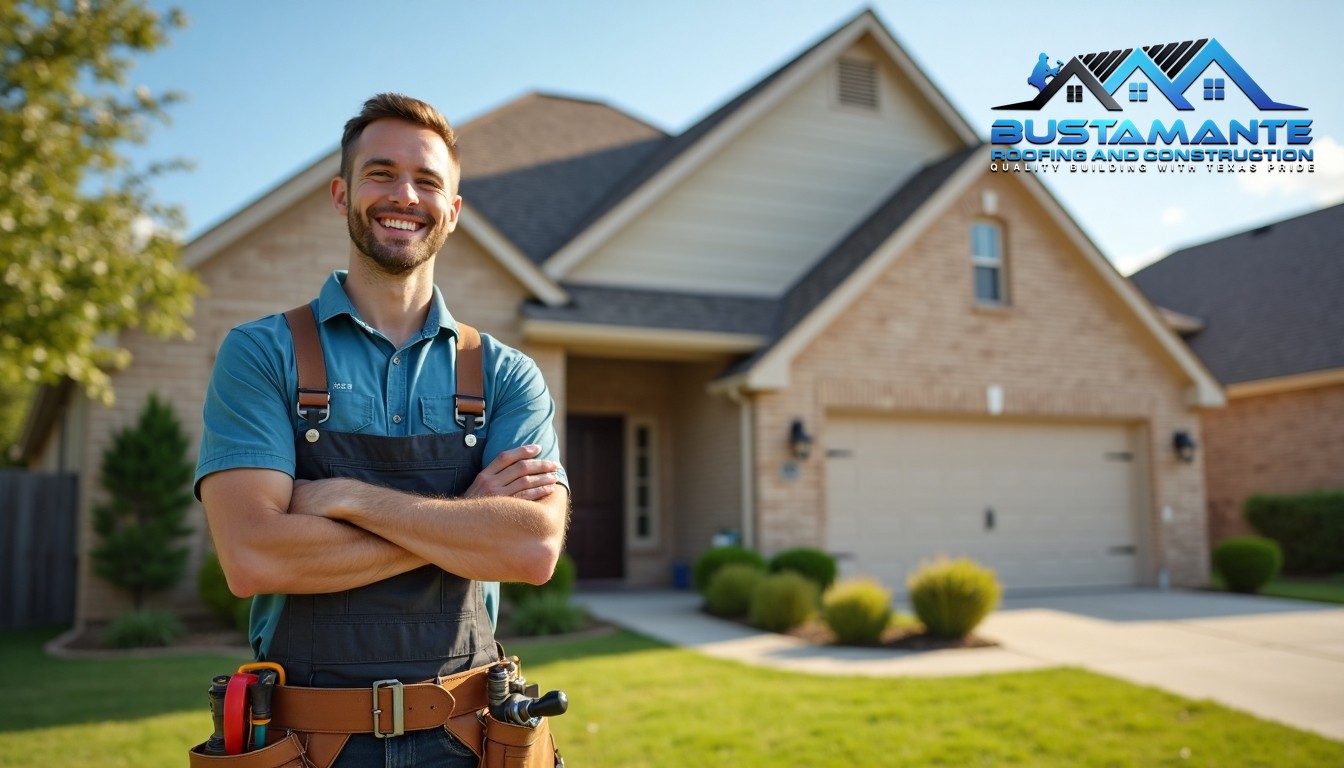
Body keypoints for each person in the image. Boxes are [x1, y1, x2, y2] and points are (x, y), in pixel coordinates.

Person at [195, 93, 569, 766]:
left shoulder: (507, 375)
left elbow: (531, 549)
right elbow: (253, 557)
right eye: (381, 173)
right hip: (306, 745)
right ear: (342, 194)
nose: (405, 195)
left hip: (469, 739)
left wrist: (345, 497)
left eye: (428, 180)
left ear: (453, 210)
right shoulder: (262, 353)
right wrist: (466, 519)